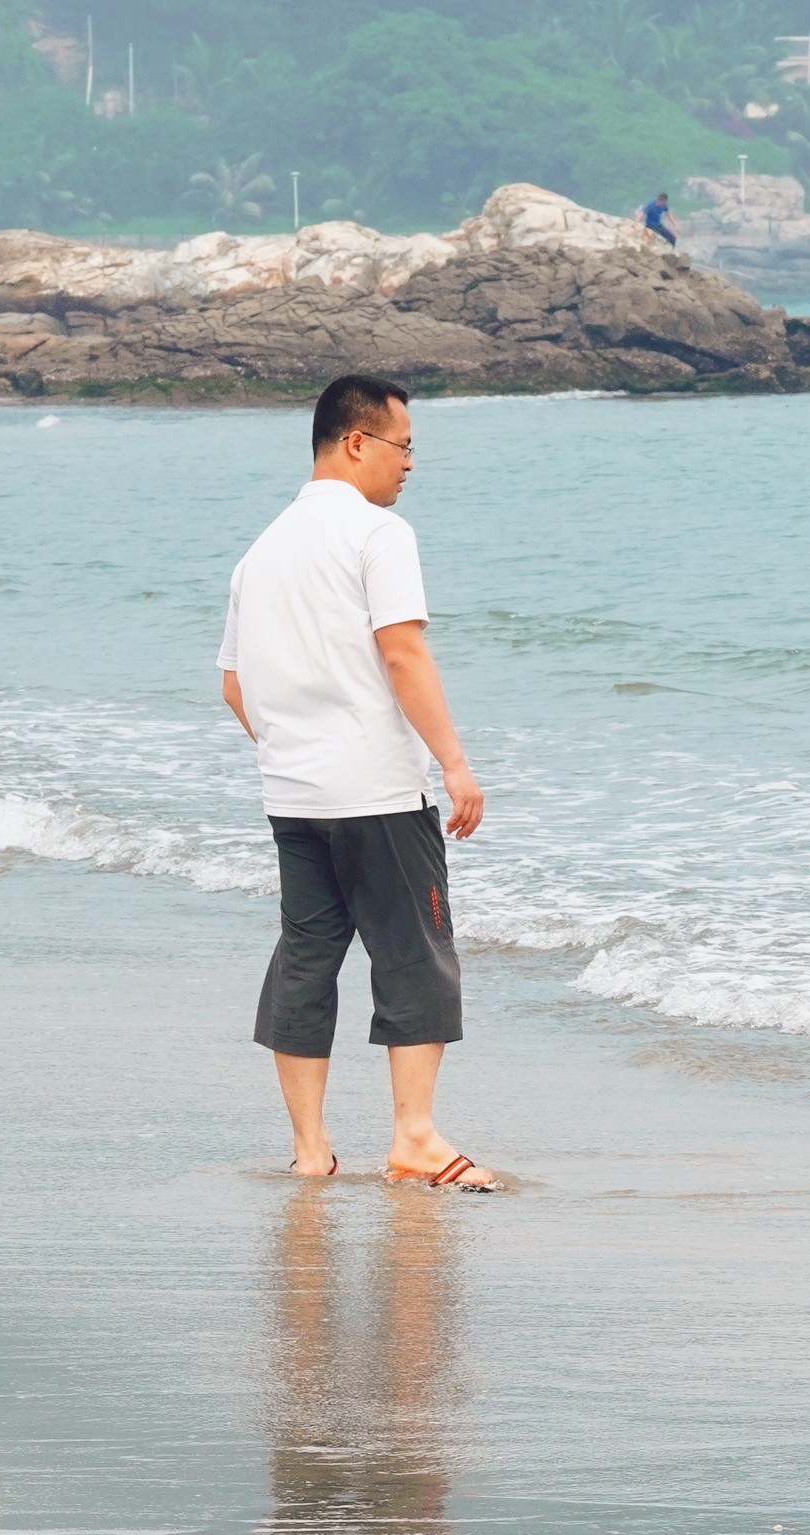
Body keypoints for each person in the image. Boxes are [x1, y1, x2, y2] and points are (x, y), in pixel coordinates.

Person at [217, 374, 496, 1191]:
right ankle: (414, 1137)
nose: (410, 464)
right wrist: (454, 762)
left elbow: (233, 683)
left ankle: (311, 1151)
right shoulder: (379, 534)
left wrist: (291, 747)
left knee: (307, 957)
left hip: (293, 794)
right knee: (414, 955)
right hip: (376, 790)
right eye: (404, 446)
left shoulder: (260, 550)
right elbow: (403, 651)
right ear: (355, 442)